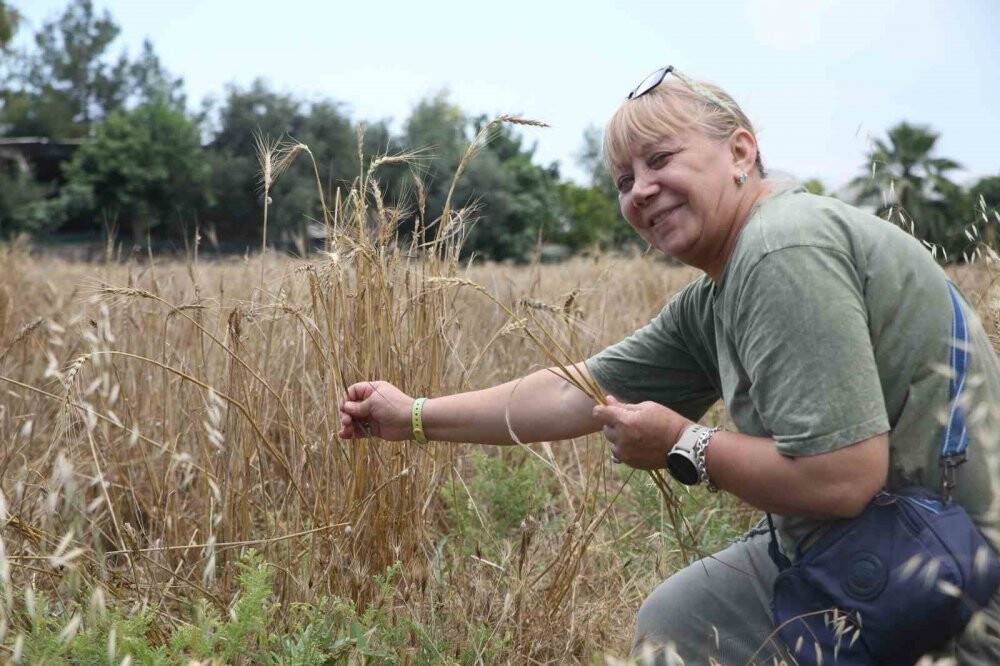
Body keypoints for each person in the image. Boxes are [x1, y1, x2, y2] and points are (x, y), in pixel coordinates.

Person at [339, 66, 1000, 664]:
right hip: (874, 546)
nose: (641, 192)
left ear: (740, 152)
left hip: (958, 579)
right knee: (681, 622)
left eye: (660, 159)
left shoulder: (782, 249)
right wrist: (412, 416)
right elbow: (577, 391)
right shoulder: (722, 288)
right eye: (624, 181)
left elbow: (842, 479)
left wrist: (686, 444)